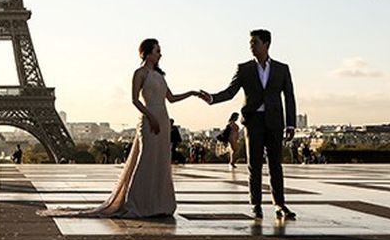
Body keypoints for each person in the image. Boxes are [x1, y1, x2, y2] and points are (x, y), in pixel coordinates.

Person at [50, 39, 198, 219]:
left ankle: (157, 204)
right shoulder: (140, 73)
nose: (160, 54)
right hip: (150, 120)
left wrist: (192, 93)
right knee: (145, 161)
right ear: (147, 53)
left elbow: (172, 98)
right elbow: (135, 99)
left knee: (160, 163)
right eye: (157, 51)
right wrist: (151, 117)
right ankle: (137, 203)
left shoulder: (160, 75)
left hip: (163, 120)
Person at [199, 29, 298, 221]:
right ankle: (256, 205)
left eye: (255, 43)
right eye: (250, 43)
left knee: (275, 164)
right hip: (253, 122)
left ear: (266, 44)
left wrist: (291, 124)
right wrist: (211, 98)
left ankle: (279, 204)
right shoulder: (244, 69)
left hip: (275, 122)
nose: (251, 46)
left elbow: (289, 97)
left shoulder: (281, 68)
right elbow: (230, 92)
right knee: (254, 164)